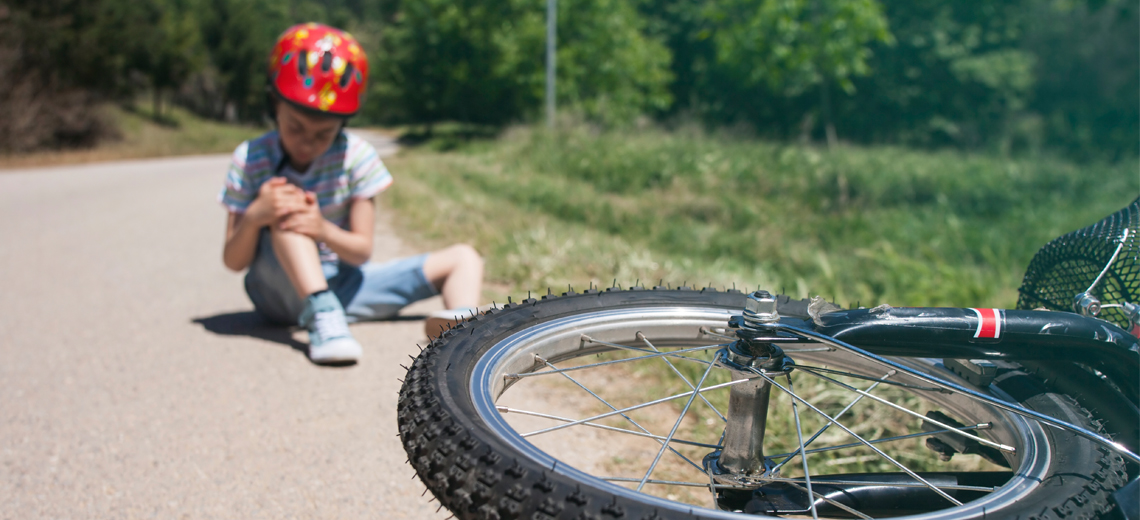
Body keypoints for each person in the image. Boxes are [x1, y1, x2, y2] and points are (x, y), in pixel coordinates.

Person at [218, 23, 484, 365]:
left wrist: (322, 229)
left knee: (464, 256)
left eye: (323, 134)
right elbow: (233, 261)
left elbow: (360, 252)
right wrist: (257, 215)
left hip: (344, 286)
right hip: (276, 291)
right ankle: (321, 314)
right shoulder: (250, 157)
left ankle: (464, 331)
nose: (307, 142)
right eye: (295, 127)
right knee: (289, 210)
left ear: (342, 125)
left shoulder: (356, 156)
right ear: (274, 105)